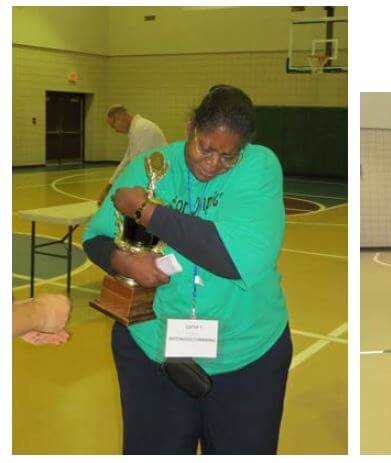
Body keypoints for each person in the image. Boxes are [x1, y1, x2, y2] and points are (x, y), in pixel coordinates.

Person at [83, 86, 293, 454]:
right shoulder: (152, 165)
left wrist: (146, 211)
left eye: (228, 157)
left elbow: (232, 258)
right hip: (153, 350)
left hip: (247, 355)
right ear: (190, 126)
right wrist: (125, 261)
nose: (212, 164)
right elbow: (95, 238)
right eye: (204, 148)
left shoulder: (260, 165)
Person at [98, 106, 167, 205]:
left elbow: (137, 166)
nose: (116, 131)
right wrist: (109, 186)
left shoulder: (141, 129)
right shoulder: (136, 130)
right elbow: (126, 161)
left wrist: (113, 193)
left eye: (113, 126)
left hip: (160, 182)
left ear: (119, 119)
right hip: (155, 179)